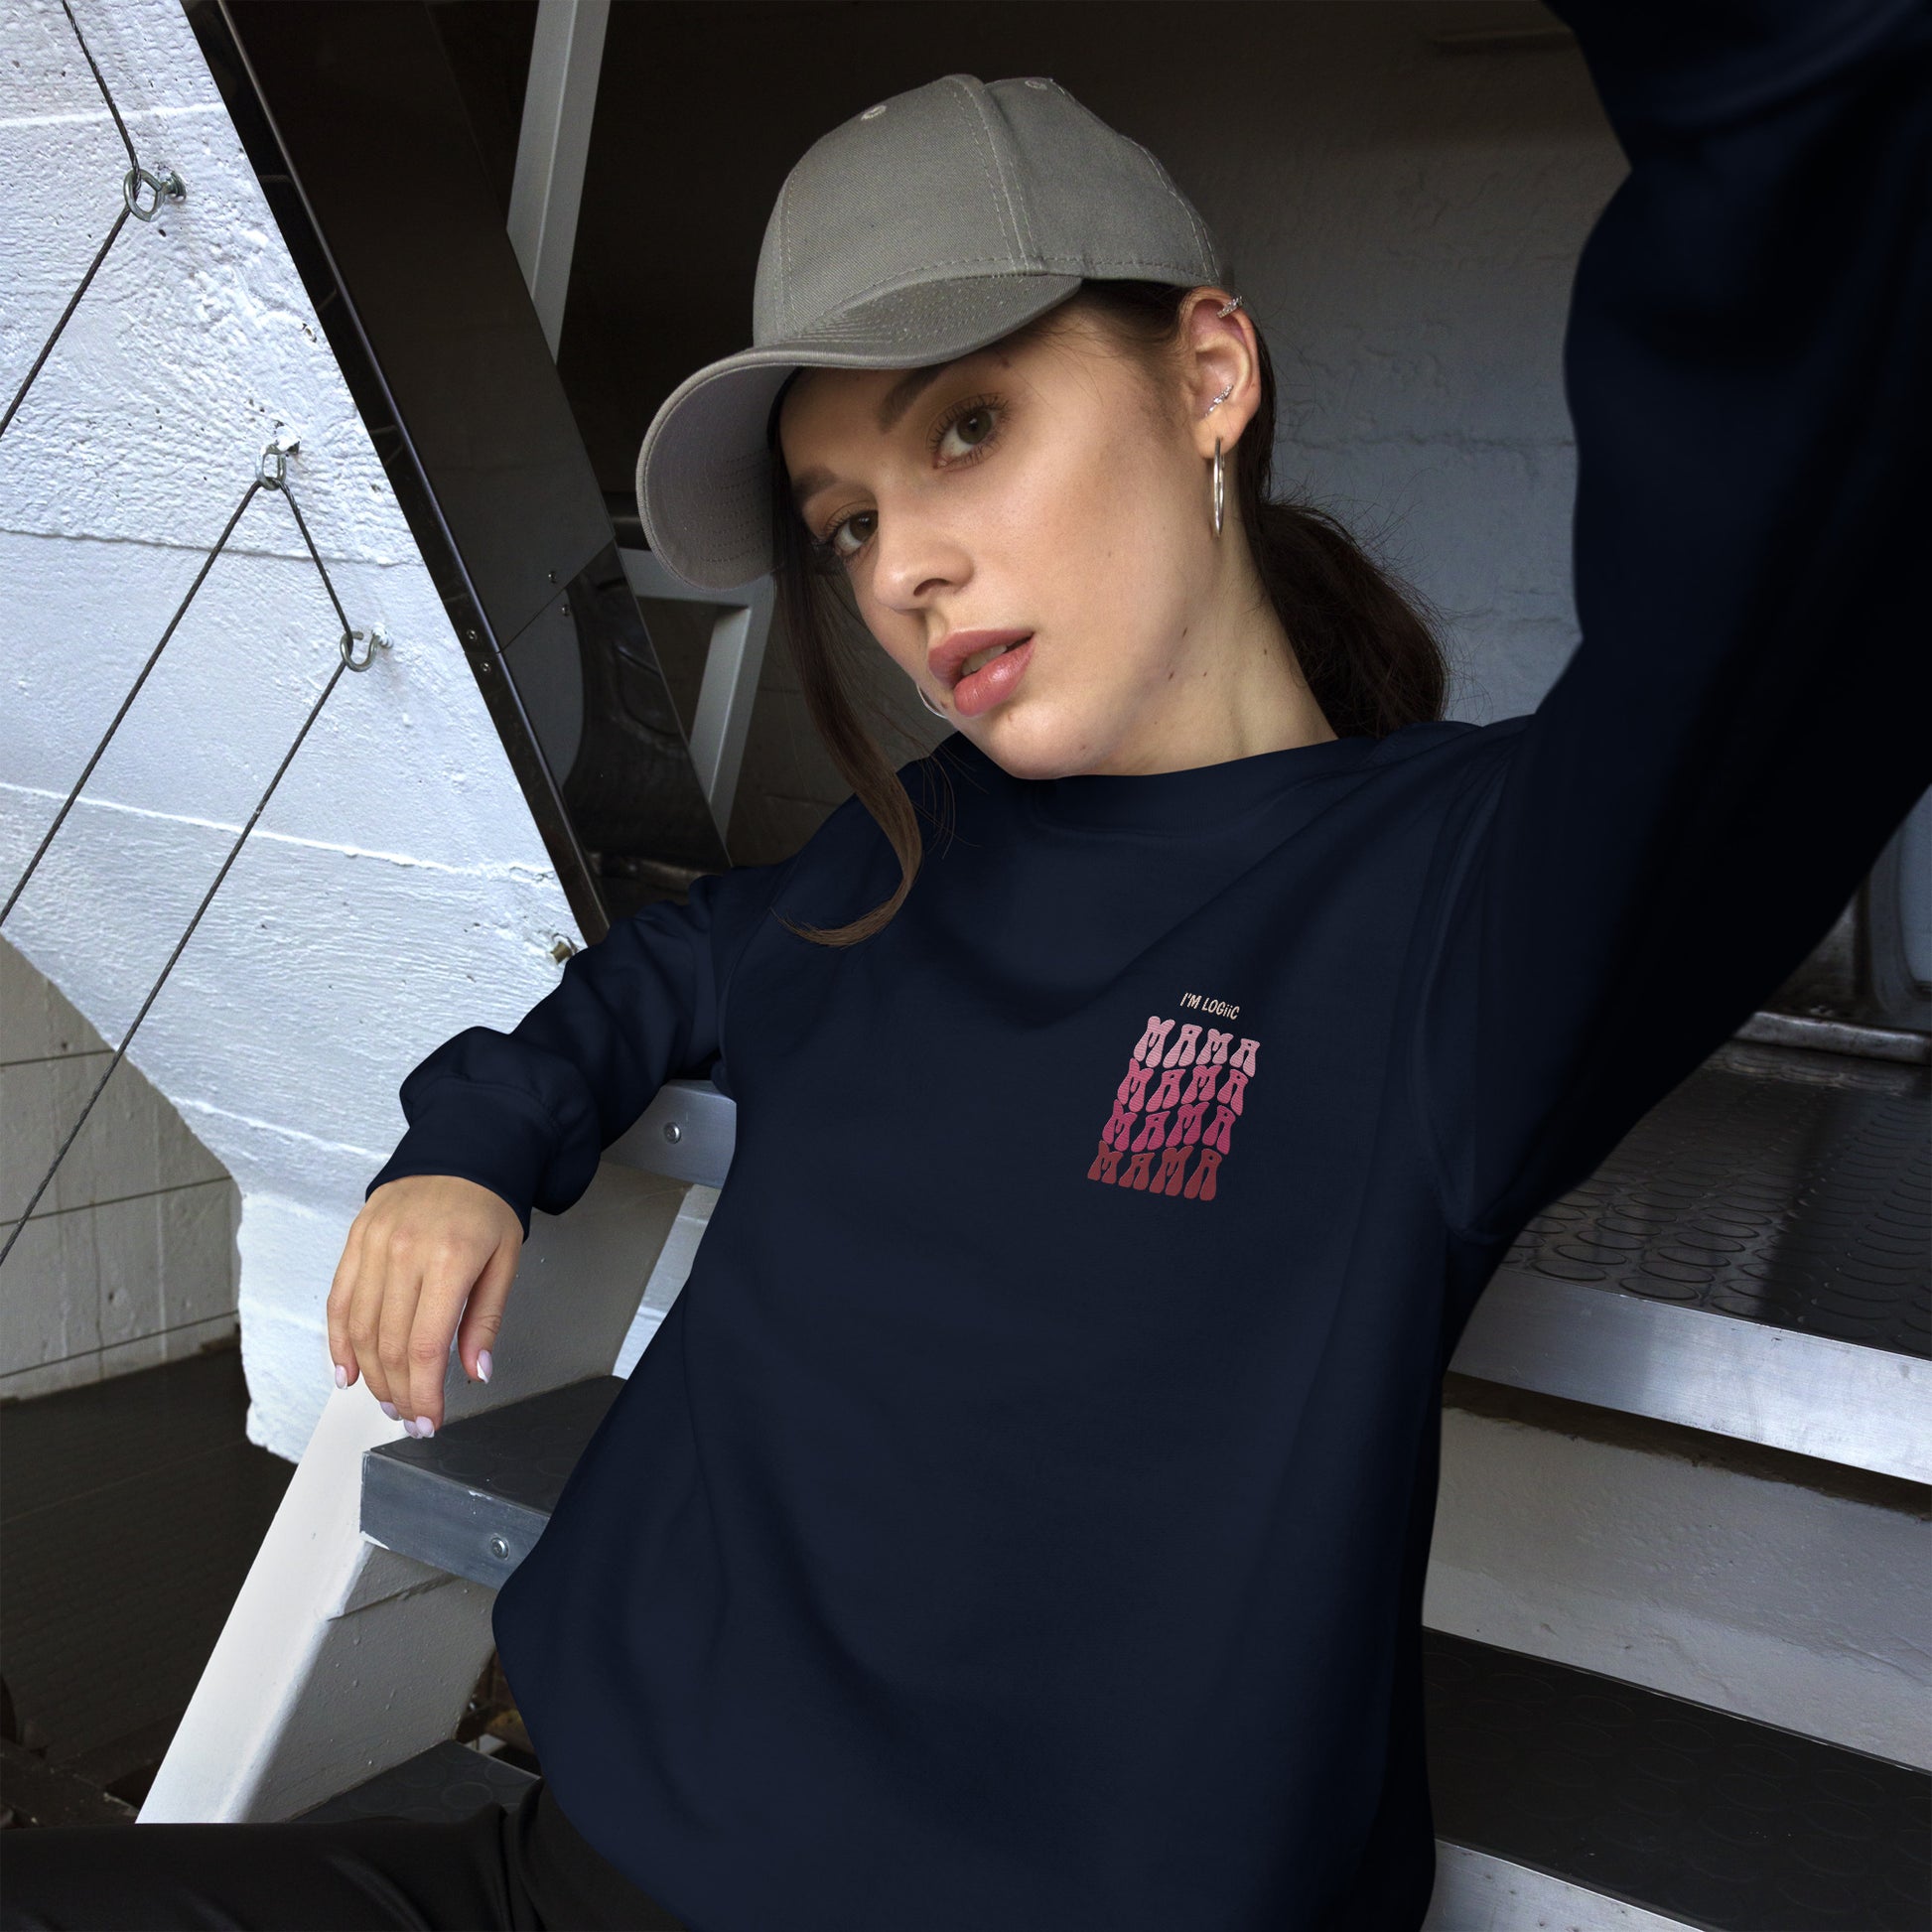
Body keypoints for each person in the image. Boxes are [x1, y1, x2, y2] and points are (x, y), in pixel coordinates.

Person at [7, 0, 1926, 1925]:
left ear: (1208, 376)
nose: (900, 567)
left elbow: (1786, 499)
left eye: (968, 427)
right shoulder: (897, 859)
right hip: (569, 1875)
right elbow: (663, 968)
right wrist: (468, 1144)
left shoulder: (1453, 907)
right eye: (845, 520)